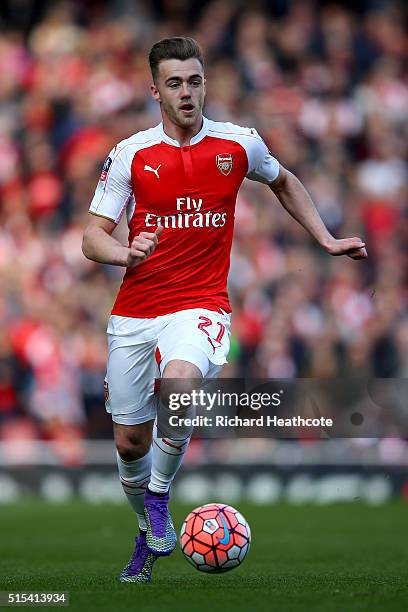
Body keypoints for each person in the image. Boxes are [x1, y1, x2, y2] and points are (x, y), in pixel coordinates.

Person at [82, 36, 367, 583]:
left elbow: (284, 182)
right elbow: (91, 238)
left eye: (194, 81)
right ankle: (147, 532)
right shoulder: (132, 154)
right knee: (128, 440)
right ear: (155, 92)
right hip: (136, 311)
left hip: (201, 304)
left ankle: (161, 497)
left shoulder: (239, 145)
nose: (186, 93)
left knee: (182, 383)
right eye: (174, 83)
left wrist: (326, 239)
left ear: (204, 83)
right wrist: (125, 251)